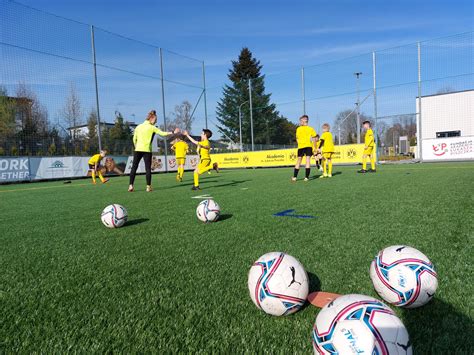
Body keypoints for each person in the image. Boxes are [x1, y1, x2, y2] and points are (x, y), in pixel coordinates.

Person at [128, 110, 178, 192]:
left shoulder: (138, 127)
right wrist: (173, 132)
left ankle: (130, 186)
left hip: (137, 149)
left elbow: (134, 139)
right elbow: (162, 133)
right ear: (151, 118)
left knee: (134, 167)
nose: (155, 122)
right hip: (147, 150)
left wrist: (136, 146)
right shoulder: (152, 127)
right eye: (155, 120)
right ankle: (148, 187)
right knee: (148, 168)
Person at [292, 115, 317, 182]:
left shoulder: (298, 129)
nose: (300, 122)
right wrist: (315, 147)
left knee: (299, 161)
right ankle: (306, 177)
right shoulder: (311, 128)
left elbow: (297, 138)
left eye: (300, 120)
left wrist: (299, 144)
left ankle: (294, 177)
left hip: (301, 147)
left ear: (304, 120)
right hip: (308, 146)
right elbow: (314, 139)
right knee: (307, 160)